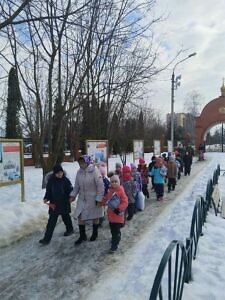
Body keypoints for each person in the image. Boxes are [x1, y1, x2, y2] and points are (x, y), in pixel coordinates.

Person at [70, 155, 104, 246]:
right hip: (82, 198)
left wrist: (99, 198)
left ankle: (95, 233)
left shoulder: (94, 171)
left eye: (82, 162)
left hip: (93, 198)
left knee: (95, 216)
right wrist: (73, 195)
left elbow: (100, 185)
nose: (81, 164)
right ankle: (82, 235)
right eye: (79, 163)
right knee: (80, 216)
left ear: (87, 162)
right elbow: (76, 185)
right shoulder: (79, 172)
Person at [39, 164, 74, 245]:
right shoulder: (51, 181)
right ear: (54, 173)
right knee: (51, 222)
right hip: (54, 205)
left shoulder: (65, 180)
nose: (60, 174)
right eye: (58, 173)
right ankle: (46, 239)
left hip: (64, 203)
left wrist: (71, 196)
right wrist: (46, 198)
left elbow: (71, 190)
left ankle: (70, 230)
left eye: (61, 172)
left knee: (66, 218)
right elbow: (48, 192)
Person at [101, 175, 128, 253]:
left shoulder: (121, 191)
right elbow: (106, 199)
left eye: (116, 182)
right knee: (112, 230)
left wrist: (119, 209)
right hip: (111, 215)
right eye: (112, 182)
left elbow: (125, 202)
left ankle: (115, 244)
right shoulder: (110, 191)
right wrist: (101, 202)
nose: (114, 183)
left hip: (118, 215)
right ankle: (114, 238)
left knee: (116, 231)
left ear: (119, 182)